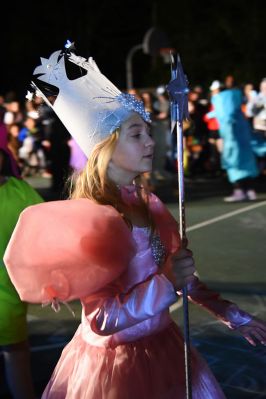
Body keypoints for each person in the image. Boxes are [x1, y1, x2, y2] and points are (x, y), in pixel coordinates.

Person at [4, 44, 266, 399]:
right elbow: (103, 319)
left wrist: (231, 313)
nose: (150, 142)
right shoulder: (94, 217)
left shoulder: (148, 201)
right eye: (136, 134)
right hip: (117, 365)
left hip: (165, 346)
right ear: (106, 148)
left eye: (147, 131)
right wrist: (167, 280)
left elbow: (180, 273)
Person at [0, 128, 43, 398]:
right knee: (16, 353)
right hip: (10, 292)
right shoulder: (19, 190)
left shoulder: (19, 190)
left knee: (16, 352)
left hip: (10, 291)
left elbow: (45, 229)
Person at [206, 81, 259, 202]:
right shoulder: (235, 112)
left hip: (233, 144)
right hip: (241, 143)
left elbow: (227, 125)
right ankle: (249, 190)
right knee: (244, 164)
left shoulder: (226, 112)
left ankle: (240, 190)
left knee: (235, 165)